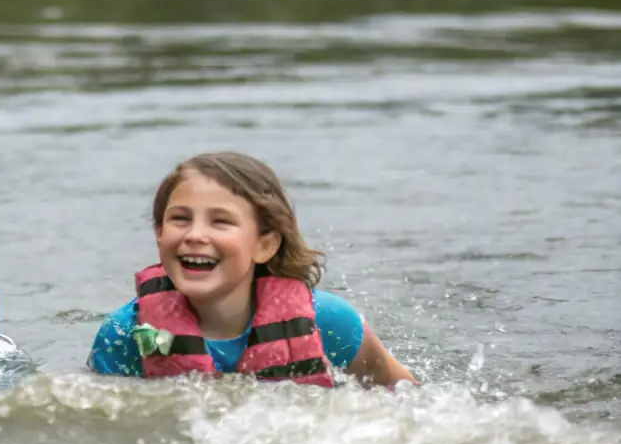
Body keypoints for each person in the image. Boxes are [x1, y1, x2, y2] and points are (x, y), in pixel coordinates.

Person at [88, 152, 415, 387]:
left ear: (265, 245)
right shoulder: (124, 335)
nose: (195, 235)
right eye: (180, 219)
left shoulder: (330, 322)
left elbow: (406, 398)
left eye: (221, 221)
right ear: (159, 234)